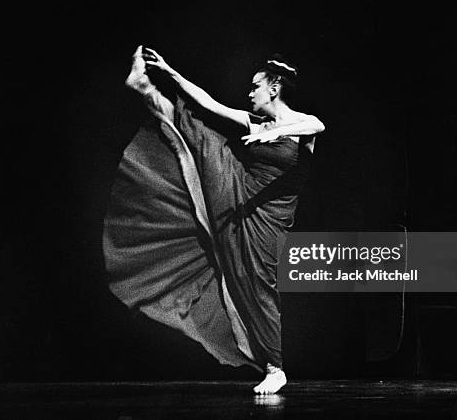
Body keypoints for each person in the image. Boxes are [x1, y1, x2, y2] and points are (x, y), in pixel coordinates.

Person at [114, 45, 324, 394]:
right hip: (237, 190)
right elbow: (211, 104)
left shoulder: (304, 126)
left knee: (258, 284)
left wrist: (278, 133)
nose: (250, 92)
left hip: (269, 219)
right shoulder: (254, 120)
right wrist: (171, 73)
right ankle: (146, 88)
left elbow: (317, 123)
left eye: (256, 86)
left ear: (274, 88)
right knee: (204, 141)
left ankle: (275, 368)